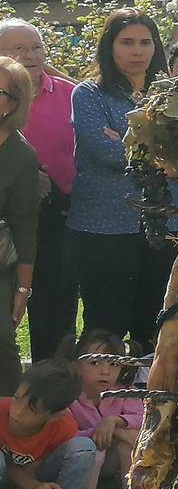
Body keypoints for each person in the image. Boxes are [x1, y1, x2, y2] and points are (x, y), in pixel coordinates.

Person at [70, 11, 178, 350]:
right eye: (127, 42)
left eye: (145, 42)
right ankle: (97, 401)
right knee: (103, 325)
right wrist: (164, 156)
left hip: (171, 222)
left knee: (159, 325)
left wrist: (124, 137)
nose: (137, 51)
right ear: (109, 46)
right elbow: (104, 151)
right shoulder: (89, 94)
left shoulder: (176, 95)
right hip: (103, 227)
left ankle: (151, 401)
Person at [0, 21, 78, 360]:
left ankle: (51, 392)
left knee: (54, 309)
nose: (29, 56)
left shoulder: (72, 94)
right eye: (17, 49)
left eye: (35, 47)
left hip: (58, 217)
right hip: (7, 224)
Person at [1, 358, 90, 489]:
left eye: (31, 409)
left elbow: (33, 466)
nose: (17, 411)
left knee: (83, 448)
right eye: (17, 398)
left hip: (36, 475)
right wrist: (29, 488)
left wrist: (34, 487)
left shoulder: (63, 426)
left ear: (54, 416)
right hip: (9, 478)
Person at [62, 330, 144, 489]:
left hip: (115, 462)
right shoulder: (68, 396)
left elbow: (142, 426)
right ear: (77, 365)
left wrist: (113, 422)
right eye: (95, 363)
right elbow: (63, 435)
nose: (105, 371)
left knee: (129, 445)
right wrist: (97, 432)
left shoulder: (126, 392)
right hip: (83, 463)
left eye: (114, 365)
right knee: (94, 449)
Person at [0, 53, 43, 395]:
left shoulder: (20, 155)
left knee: (3, 351)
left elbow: (25, 225)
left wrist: (22, 290)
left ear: (14, 104)